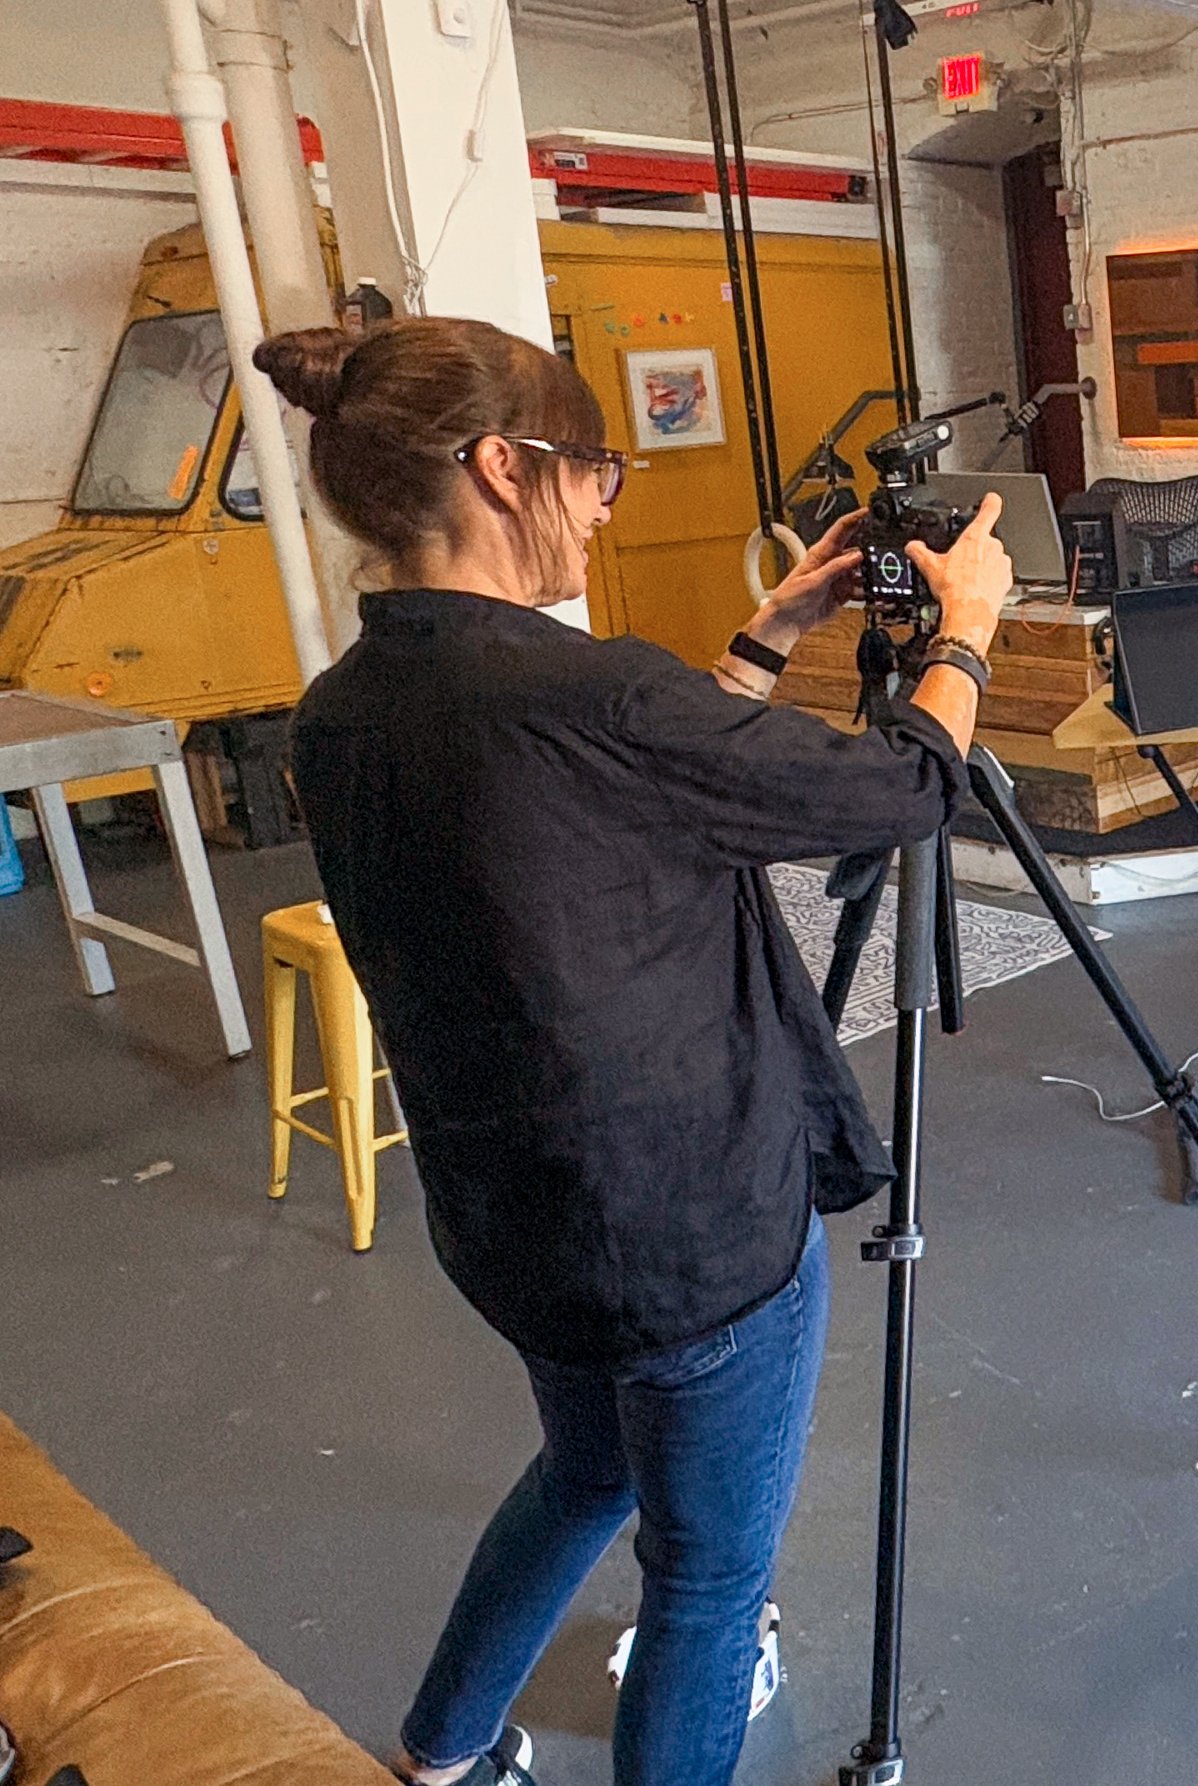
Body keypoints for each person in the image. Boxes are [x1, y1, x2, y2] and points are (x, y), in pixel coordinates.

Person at [258, 316, 1013, 1786]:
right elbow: (900, 787)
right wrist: (972, 624)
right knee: (709, 1581)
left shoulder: (345, 710)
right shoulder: (586, 691)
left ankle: (445, 1750)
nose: (606, 498)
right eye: (594, 468)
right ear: (500, 465)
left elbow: (613, 801)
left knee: (590, 1469)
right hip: (689, 1230)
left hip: (520, 1221)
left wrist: (769, 636)